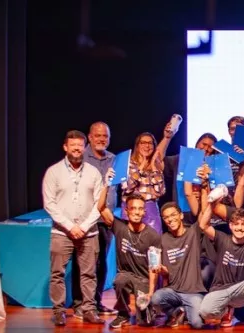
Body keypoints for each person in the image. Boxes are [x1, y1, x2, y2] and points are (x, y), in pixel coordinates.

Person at [43, 130, 107, 326]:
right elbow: (49, 204)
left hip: (89, 232)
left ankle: (89, 310)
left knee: (89, 273)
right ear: (65, 147)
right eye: (73, 145)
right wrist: (71, 227)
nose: (77, 149)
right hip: (61, 232)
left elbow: (99, 203)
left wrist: (84, 227)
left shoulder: (93, 172)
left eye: (80, 145)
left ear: (84, 147)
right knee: (57, 273)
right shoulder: (53, 172)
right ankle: (59, 311)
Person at [196, 187, 244, 329]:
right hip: (221, 289)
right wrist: (211, 204)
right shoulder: (222, 239)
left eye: (243, 224)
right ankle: (226, 311)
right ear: (230, 225)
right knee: (205, 312)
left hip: (241, 292)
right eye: (236, 224)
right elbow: (203, 225)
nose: (239, 228)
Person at [70, 122, 118, 317]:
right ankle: (79, 304)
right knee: (83, 262)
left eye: (105, 136)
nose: (101, 139)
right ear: (89, 137)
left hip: (106, 221)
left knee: (101, 263)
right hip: (86, 220)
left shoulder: (114, 159)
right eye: (98, 135)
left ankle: (96, 303)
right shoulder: (81, 157)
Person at [96, 187, 161, 328]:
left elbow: (154, 267)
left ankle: (151, 310)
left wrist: (151, 292)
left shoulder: (153, 236)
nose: (137, 212)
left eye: (140, 209)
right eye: (133, 208)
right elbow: (100, 207)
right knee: (120, 281)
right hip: (126, 274)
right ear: (126, 211)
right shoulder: (119, 226)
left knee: (146, 323)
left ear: (144, 212)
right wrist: (106, 185)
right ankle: (123, 313)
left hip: (143, 279)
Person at [150, 202, 206, 329]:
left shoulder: (193, 233)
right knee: (156, 299)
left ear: (181, 215)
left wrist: (205, 191)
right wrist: (161, 270)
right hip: (173, 291)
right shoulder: (163, 239)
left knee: (197, 324)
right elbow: (165, 273)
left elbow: (203, 214)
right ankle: (177, 311)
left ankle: (184, 311)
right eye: (166, 217)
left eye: (173, 215)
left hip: (193, 292)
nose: (170, 219)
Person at [121, 120, 176, 232]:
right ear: (137, 145)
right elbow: (128, 187)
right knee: (131, 240)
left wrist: (154, 168)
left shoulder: (156, 165)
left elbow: (161, 191)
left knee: (154, 240)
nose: (147, 146)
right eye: (143, 143)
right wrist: (141, 168)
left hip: (151, 210)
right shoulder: (128, 163)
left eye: (150, 143)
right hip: (131, 208)